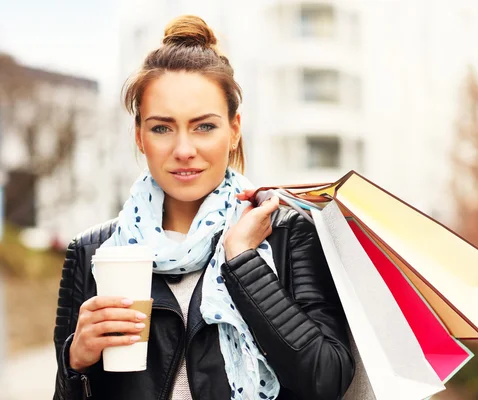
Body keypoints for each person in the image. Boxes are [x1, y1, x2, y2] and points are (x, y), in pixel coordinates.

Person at [52, 15, 354, 400]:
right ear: (139, 136)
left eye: (204, 126)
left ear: (234, 130)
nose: (183, 150)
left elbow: (327, 379)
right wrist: (75, 362)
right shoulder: (93, 252)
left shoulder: (287, 234)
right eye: (161, 128)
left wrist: (244, 262)